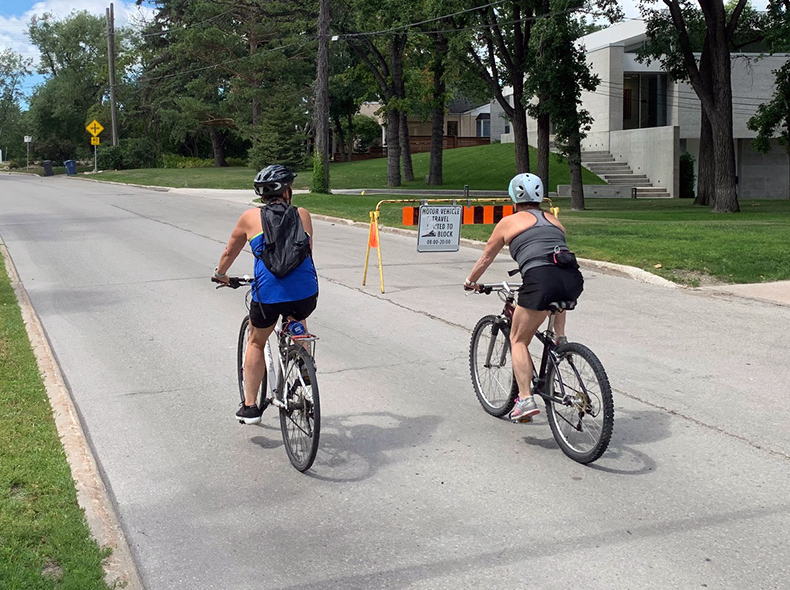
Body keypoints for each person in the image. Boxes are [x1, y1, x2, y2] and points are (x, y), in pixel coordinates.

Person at [464, 173, 583, 422]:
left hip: (541, 281)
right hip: (571, 278)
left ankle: (526, 400)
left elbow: (486, 257)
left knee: (518, 340)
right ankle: (560, 341)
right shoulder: (554, 220)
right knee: (555, 302)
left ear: (514, 197)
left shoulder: (508, 222)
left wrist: (471, 281)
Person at [213, 164, 318, 424]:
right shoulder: (302, 214)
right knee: (296, 318)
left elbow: (229, 252)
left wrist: (220, 274)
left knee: (257, 341)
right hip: (306, 292)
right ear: (287, 192)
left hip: (269, 294)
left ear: (262, 195)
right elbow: (308, 254)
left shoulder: (249, 218)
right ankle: (305, 369)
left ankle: (250, 407)